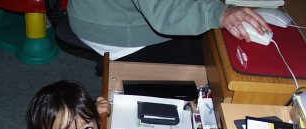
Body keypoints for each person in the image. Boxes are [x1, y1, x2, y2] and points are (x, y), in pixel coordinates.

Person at [67, 0, 271, 64]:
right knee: (212, 59)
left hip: (103, 11)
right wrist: (218, 13)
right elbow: (165, 13)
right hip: (112, 26)